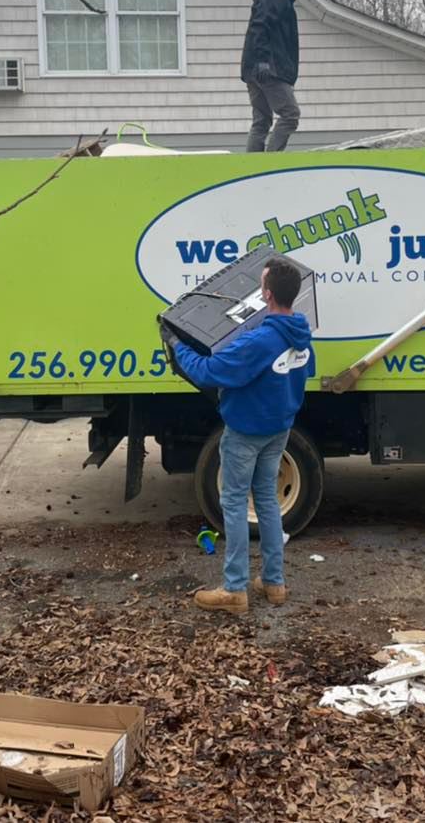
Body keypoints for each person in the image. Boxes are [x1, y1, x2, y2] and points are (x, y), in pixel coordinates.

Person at [172, 259, 314, 613]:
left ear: (266, 294)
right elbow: (301, 372)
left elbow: (208, 372)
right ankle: (273, 581)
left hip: (246, 432)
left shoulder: (259, 341)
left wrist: (177, 346)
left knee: (234, 502)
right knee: (265, 497)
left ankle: (234, 589)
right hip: (280, 429)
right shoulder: (301, 331)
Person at [240, 0, 301, 152]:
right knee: (290, 114)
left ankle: (253, 170)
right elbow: (260, 25)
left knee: (262, 121)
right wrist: (263, 60)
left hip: (254, 68)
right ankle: (270, 165)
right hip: (269, 68)